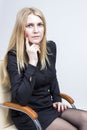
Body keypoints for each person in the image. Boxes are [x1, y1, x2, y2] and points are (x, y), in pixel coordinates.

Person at [2, 7, 87, 130]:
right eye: (30, 25)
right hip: (28, 113)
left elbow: (53, 77)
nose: (36, 30)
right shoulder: (14, 56)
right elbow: (21, 100)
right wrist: (32, 62)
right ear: (21, 29)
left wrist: (57, 99)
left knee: (85, 119)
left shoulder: (50, 48)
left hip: (48, 106)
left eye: (39, 25)